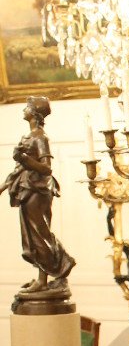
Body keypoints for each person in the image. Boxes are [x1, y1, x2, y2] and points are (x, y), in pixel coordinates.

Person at [0, 95, 75, 295]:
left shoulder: (41, 137)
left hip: (38, 190)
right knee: (32, 237)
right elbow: (18, 170)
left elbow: (46, 168)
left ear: (34, 113)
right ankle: (45, 276)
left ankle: (55, 273)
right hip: (27, 189)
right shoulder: (28, 136)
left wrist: (24, 159)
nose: (23, 109)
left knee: (40, 234)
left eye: (27, 106)